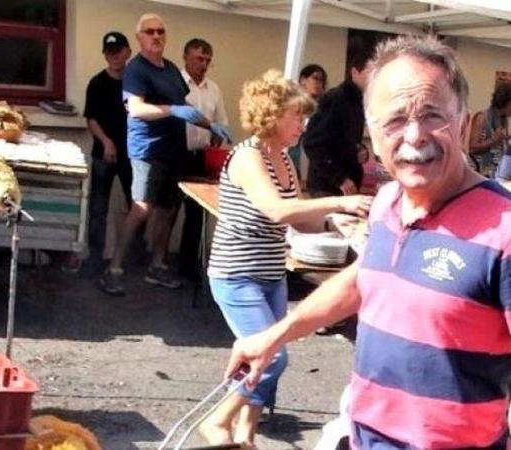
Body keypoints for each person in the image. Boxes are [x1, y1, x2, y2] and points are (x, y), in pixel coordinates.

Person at [225, 35, 511, 449]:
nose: (414, 136)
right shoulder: (389, 201)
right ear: (373, 135)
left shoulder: (502, 228)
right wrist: (275, 335)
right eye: (394, 120)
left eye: (433, 115)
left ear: (463, 124)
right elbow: (366, 278)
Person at [199, 69, 372, 447]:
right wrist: (341, 200)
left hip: (271, 275)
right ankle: (216, 421)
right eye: (297, 115)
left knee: (269, 357)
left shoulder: (285, 159)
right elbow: (277, 210)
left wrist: (333, 221)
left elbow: (299, 220)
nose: (303, 124)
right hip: (237, 275)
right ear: (272, 114)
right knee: (272, 357)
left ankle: (245, 436)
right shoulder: (247, 157)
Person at [99, 13, 231, 296]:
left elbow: (186, 107)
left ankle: (157, 266)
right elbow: (136, 109)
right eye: (149, 32)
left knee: (169, 208)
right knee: (142, 208)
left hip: (175, 150)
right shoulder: (136, 70)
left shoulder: (170, 69)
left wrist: (211, 125)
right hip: (148, 150)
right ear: (139, 38)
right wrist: (172, 111)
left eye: (160, 31)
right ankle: (114, 268)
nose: (156, 36)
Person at [62, 31, 132, 275]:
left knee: (138, 208)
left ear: (128, 52)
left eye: (118, 52)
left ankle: (127, 260)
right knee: (98, 210)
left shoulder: (136, 83)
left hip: (133, 155)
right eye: (109, 53)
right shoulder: (98, 83)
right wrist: (106, 142)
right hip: (103, 155)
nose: (113, 57)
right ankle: (94, 261)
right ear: (105, 55)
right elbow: (91, 119)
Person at [177, 37, 229, 281]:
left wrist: (217, 141)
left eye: (208, 60)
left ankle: (188, 268)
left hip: (200, 156)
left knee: (196, 214)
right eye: (199, 58)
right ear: (186, 57)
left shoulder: (214, 89)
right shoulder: (174, 82)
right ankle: (156, 262)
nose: (204, 64)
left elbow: (222, 123)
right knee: (166, 211)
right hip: (175, 153)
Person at [302, 54, 370, 197]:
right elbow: (312, 143)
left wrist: (361, 151)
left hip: (345, 185)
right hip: (327, 187)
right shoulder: (336, 98)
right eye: (370, 72)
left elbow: (345, 141)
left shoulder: (357, 102)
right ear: (354, 73)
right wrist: (339, 179)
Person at [288, 64, 328, 175]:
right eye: (315, 78)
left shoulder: (323, 109)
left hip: (310, 168)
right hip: (289, 159)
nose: (318, 83)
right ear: (303, 80)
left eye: (321, 80)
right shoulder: (291, 103)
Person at [469, 83, 511, 178]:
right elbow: (472, 148)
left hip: (496, 173)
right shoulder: (482, 117)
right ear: (507, 102)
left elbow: (498, 146)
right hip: (480, 174)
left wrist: (506, 139)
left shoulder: (503, 120)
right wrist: (493, 140)